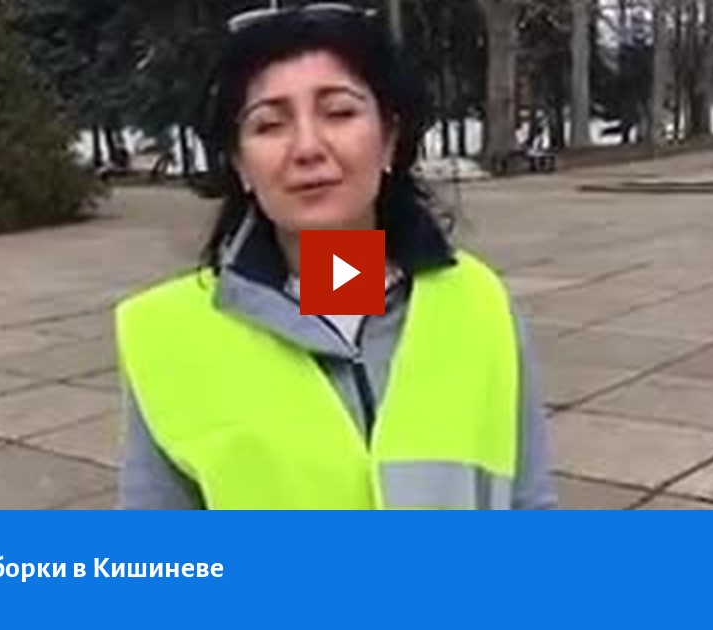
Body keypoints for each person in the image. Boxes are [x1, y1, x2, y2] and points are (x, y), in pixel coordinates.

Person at [116, 3, 556, 510]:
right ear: (240, 163)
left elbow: (531, 506)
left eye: (339, 113)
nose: (308, 147)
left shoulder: (478, 305)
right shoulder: (166, 337)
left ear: (389, 139)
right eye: (269, 124)